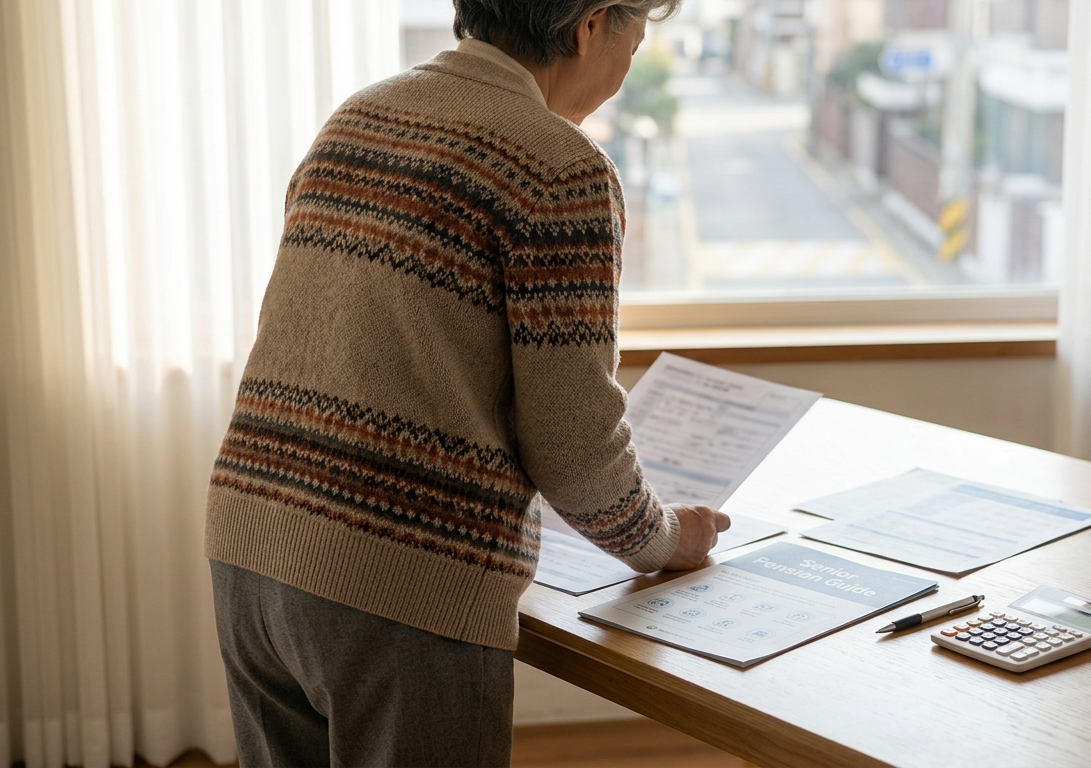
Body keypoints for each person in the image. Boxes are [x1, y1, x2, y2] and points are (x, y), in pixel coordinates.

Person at [204, 1, 729, 765]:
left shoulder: (359, 116)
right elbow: (572, 443)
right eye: (636, 38)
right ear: (590, 26)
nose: (627, 65)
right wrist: (665, 539)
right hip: (395, 574)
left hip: (251, 542)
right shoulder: (560, 166)